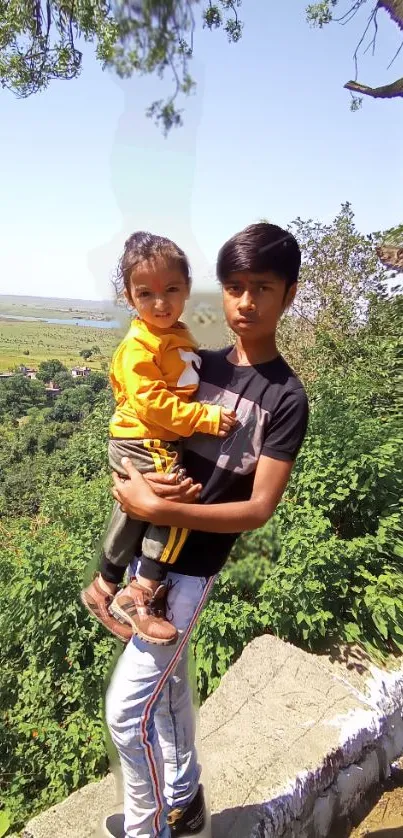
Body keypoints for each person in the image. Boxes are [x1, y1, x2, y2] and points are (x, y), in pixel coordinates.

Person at [104, 222, 309, 838]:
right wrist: (127, 503)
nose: (246, 301)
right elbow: (138, 433)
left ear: (289, 294)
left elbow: (257, 510)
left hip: (192, 570)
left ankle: (149, 831)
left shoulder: (286, 398)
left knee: (127, 713)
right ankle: (185, 799)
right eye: (235, 286)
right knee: (165, 692)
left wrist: (162, 512)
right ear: (219, 291)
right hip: (149, 563)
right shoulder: (198, 364)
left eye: (263, 287)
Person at [81, 231, 236, 645]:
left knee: (139, 509)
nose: (160, 302)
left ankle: (103, 588)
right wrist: (203, 418)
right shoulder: (139, 346)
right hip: (145, 438)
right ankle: (142, 591)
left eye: (171, 289)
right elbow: (153, 404)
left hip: (150, 439)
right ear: (130, 298)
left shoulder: (175, 334)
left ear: (187, 289)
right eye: (145, 293)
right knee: (176, 503)